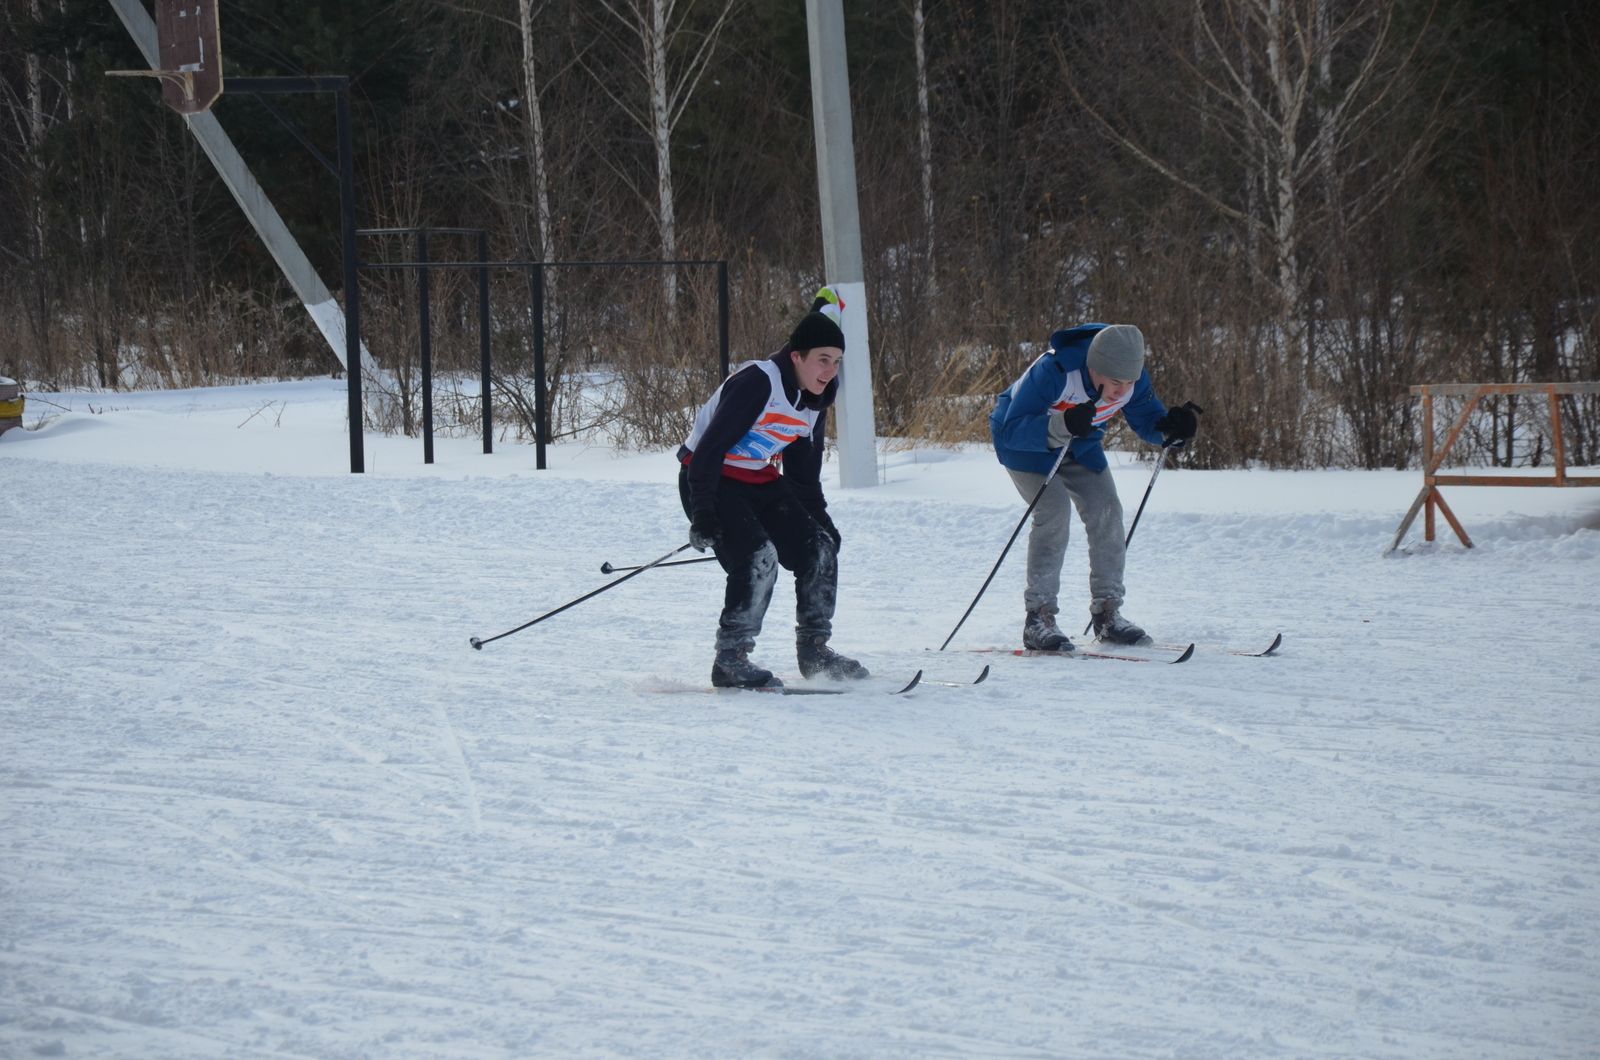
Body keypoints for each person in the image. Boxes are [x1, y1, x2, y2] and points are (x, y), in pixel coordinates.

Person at [678, 287, 869, 689]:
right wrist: (704, 514)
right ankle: (731, 658)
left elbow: (803, 478)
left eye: (836, 361)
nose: (830, 370)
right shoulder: (758, 382)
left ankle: (814, 650)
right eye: (822, 359)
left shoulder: (814, 403)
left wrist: (821, 523)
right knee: (758, 556)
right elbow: (708, 453)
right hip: (709, 478)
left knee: (819, 547)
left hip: (757, 479)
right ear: (797, 357)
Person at [989, 323, 1199, 650]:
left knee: (1107, 509)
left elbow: (1147, 419)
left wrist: (1171, 429)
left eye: (1128, 382)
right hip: (1026, 448)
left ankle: (1108, 613)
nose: (1121, 390)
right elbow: (1011, 429)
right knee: (1054, 511)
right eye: (1114, 382)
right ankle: (1038, 618)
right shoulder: (1055, 370)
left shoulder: (1132, 379)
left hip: (1079, 445)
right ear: (1093, 367)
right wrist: (1063, 423)